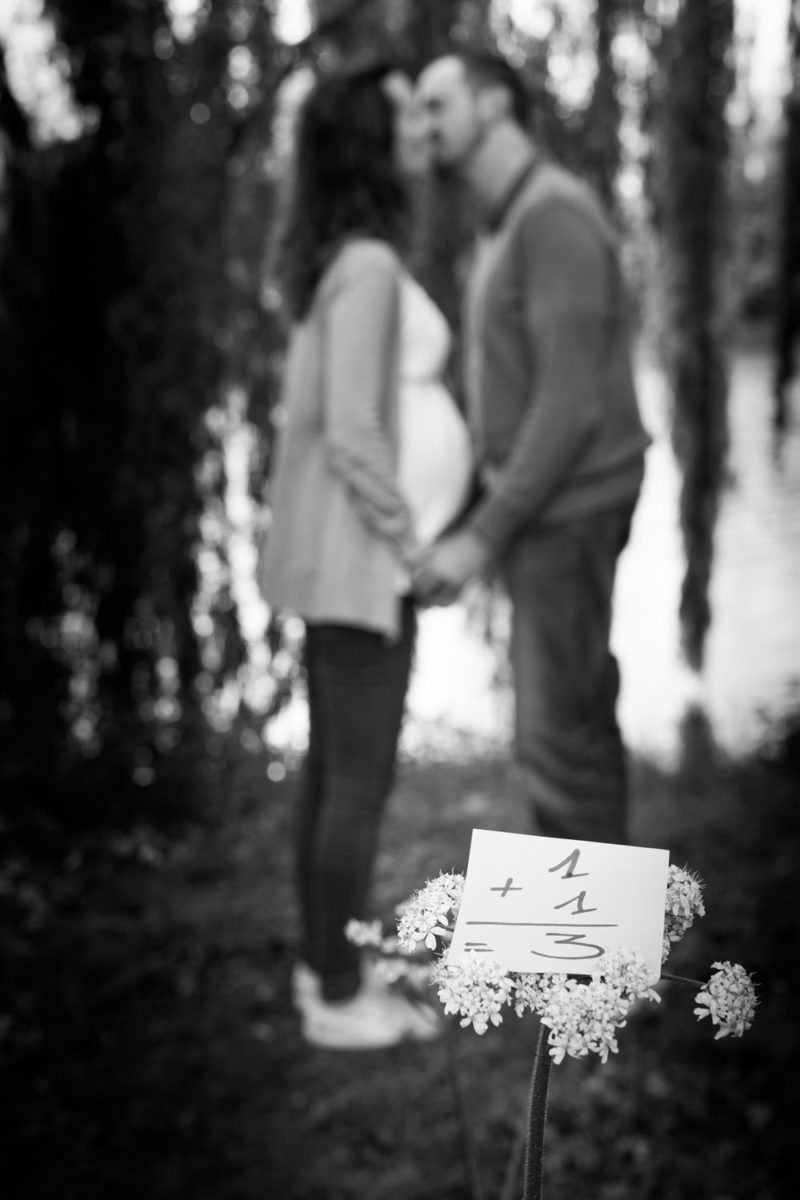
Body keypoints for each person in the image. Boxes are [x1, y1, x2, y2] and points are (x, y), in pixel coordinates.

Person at [261, 61, 473, 1049]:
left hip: (346, 563)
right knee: (356, 784)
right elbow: (350, 430)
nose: (419, 132)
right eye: (401, 117)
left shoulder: (342, 258)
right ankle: (340, 996)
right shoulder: (370, 267)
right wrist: (414, 545)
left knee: (330, 776)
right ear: (364, 143)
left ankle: (321, 968)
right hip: (365, 566)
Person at [412, 50, 651, 846]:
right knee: (563, 731)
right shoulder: (513, 217)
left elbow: (572, 404)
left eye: (437, 105)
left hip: (568, 514)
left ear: (492, 103)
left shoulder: (551, 214)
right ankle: (583, 958)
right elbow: (526, 395)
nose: (424, 125)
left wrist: (482, 537)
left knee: (559, 741)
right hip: (546, 513)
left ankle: (595, 968)